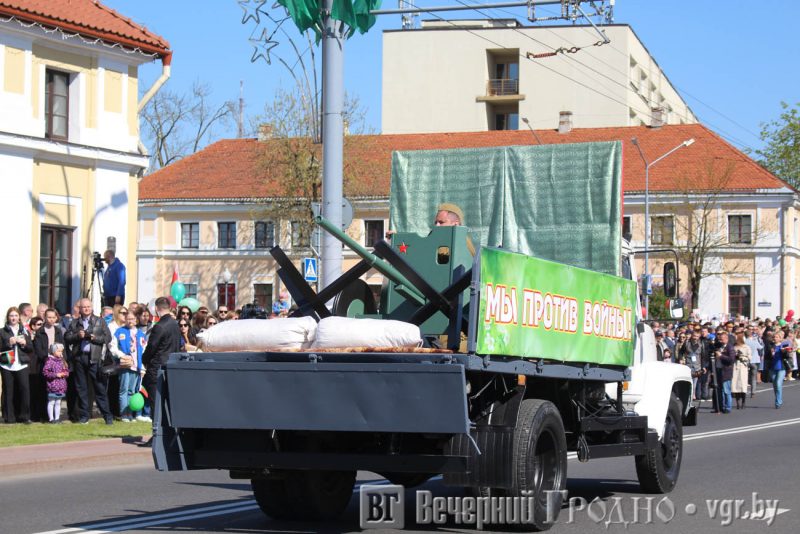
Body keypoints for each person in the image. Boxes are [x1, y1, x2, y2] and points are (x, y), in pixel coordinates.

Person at [64, 298, 114, 424]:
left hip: (94, 358)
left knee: (99, 388)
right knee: (81, 389)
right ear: (80, 309)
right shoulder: (75, 323)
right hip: (80, 358)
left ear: (92, 308)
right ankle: (84, 416)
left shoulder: (99, 321)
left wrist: (94, 338)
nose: (86, 309)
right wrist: (78, 336)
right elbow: (67, 337)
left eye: (88, 306)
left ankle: (107, 416)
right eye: (84, 307)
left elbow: (107, 337)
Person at [141, 297, 181, 440]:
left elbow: (152, 347)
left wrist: (144, 360)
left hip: (156, 369)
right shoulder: (175, 325)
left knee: (155, 404)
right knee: (165, 404)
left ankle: (157, 435)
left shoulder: (160, 326)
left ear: (157, 309)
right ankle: (166, 434)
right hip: (170, 367)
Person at [111, 311, 146, 422]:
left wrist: (143, 366)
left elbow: (144, 350)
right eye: (128, 319)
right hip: (126, 365)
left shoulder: (140, 334)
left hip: (137, 366)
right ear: (125, 320)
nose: (130, 321)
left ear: (136, 320)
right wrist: (122, 355)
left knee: (132, 390)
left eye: (132, 319)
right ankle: (123, 414)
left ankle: (130, 413)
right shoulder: (119, 332)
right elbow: (113, 347)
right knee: (123, 390)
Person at [0, 307, 33, 424]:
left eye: (15, 316)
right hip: (7, 364)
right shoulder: (2, 331)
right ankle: (9, 417)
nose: (13, 318)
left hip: (21, 364)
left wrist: (24, 344)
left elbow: (30, 348)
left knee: (24, 389)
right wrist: (9, 343)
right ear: (8, 318)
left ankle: (24, 416)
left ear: (19, 317)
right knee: (8, 390)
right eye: (11, 316)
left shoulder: (24, 330)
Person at [33, 308, 65, 421]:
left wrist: (60, 358)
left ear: (56, 318)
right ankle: (43, 415)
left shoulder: (58, 330)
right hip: (45, 363)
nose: (51, 319)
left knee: (55, 390)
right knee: (43, 389)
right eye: (49, 317)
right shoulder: (40, 331)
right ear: (45, 318)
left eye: (53, 317)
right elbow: (38, 348)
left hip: (57, 362)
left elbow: (62, 345)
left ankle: (55, 416)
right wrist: (47, 358)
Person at [42, 343, 69, 423]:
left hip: (61, 386)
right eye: (58, 351)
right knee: (51, 402)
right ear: (53, 351)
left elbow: (66, 370)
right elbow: (45, 372)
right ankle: (51, 418)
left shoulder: (62, 361)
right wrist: (56, 375)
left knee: (58, 402)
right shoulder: (50, 361)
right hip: (53, 385)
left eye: (61, 351)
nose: (60, 353)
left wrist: (65, 373)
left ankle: (57, 418)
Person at [680, 330, 705, 400]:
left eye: (697, 336)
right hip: (688, 365)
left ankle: (693, 394)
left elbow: (703, 356)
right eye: (694, 336)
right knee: (688, 380)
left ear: (699, 337)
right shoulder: (687, 343)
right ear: (692, 335)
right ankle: (688, 394)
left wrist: (703, 367)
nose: (695, 338)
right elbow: (681, 352)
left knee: (695, 381)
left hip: (697, 366)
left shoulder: (701, 344)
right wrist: (681, 359)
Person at [714, 331, 735, 414]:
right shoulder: (720, 346)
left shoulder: (730, 347)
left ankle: (728, 407)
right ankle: (721, 406)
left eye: (722, 339)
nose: (720, 341)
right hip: (719, 370)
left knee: (726, 390)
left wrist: (721, 356)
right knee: (720, 390)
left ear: (726, 339)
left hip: (726, 371)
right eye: (719, 339)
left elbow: (731, 359)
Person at [732, 331, 751, 409]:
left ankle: (743, 401)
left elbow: (749, 357)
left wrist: (742, 357)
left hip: (743, 366)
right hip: (735, 367)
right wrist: (735, 356)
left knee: (743, 385)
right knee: (735, 384)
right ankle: (737, 402)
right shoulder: (734, 347)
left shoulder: (746, 347)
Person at [745, 326, 763, 397]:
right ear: (751, 335)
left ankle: (744, 390)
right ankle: (753, 392)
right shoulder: (754, 341)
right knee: (753, 376)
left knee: (746, 376)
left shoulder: (745, 342)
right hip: (754, 360)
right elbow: (761, 347)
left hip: (746, 360)